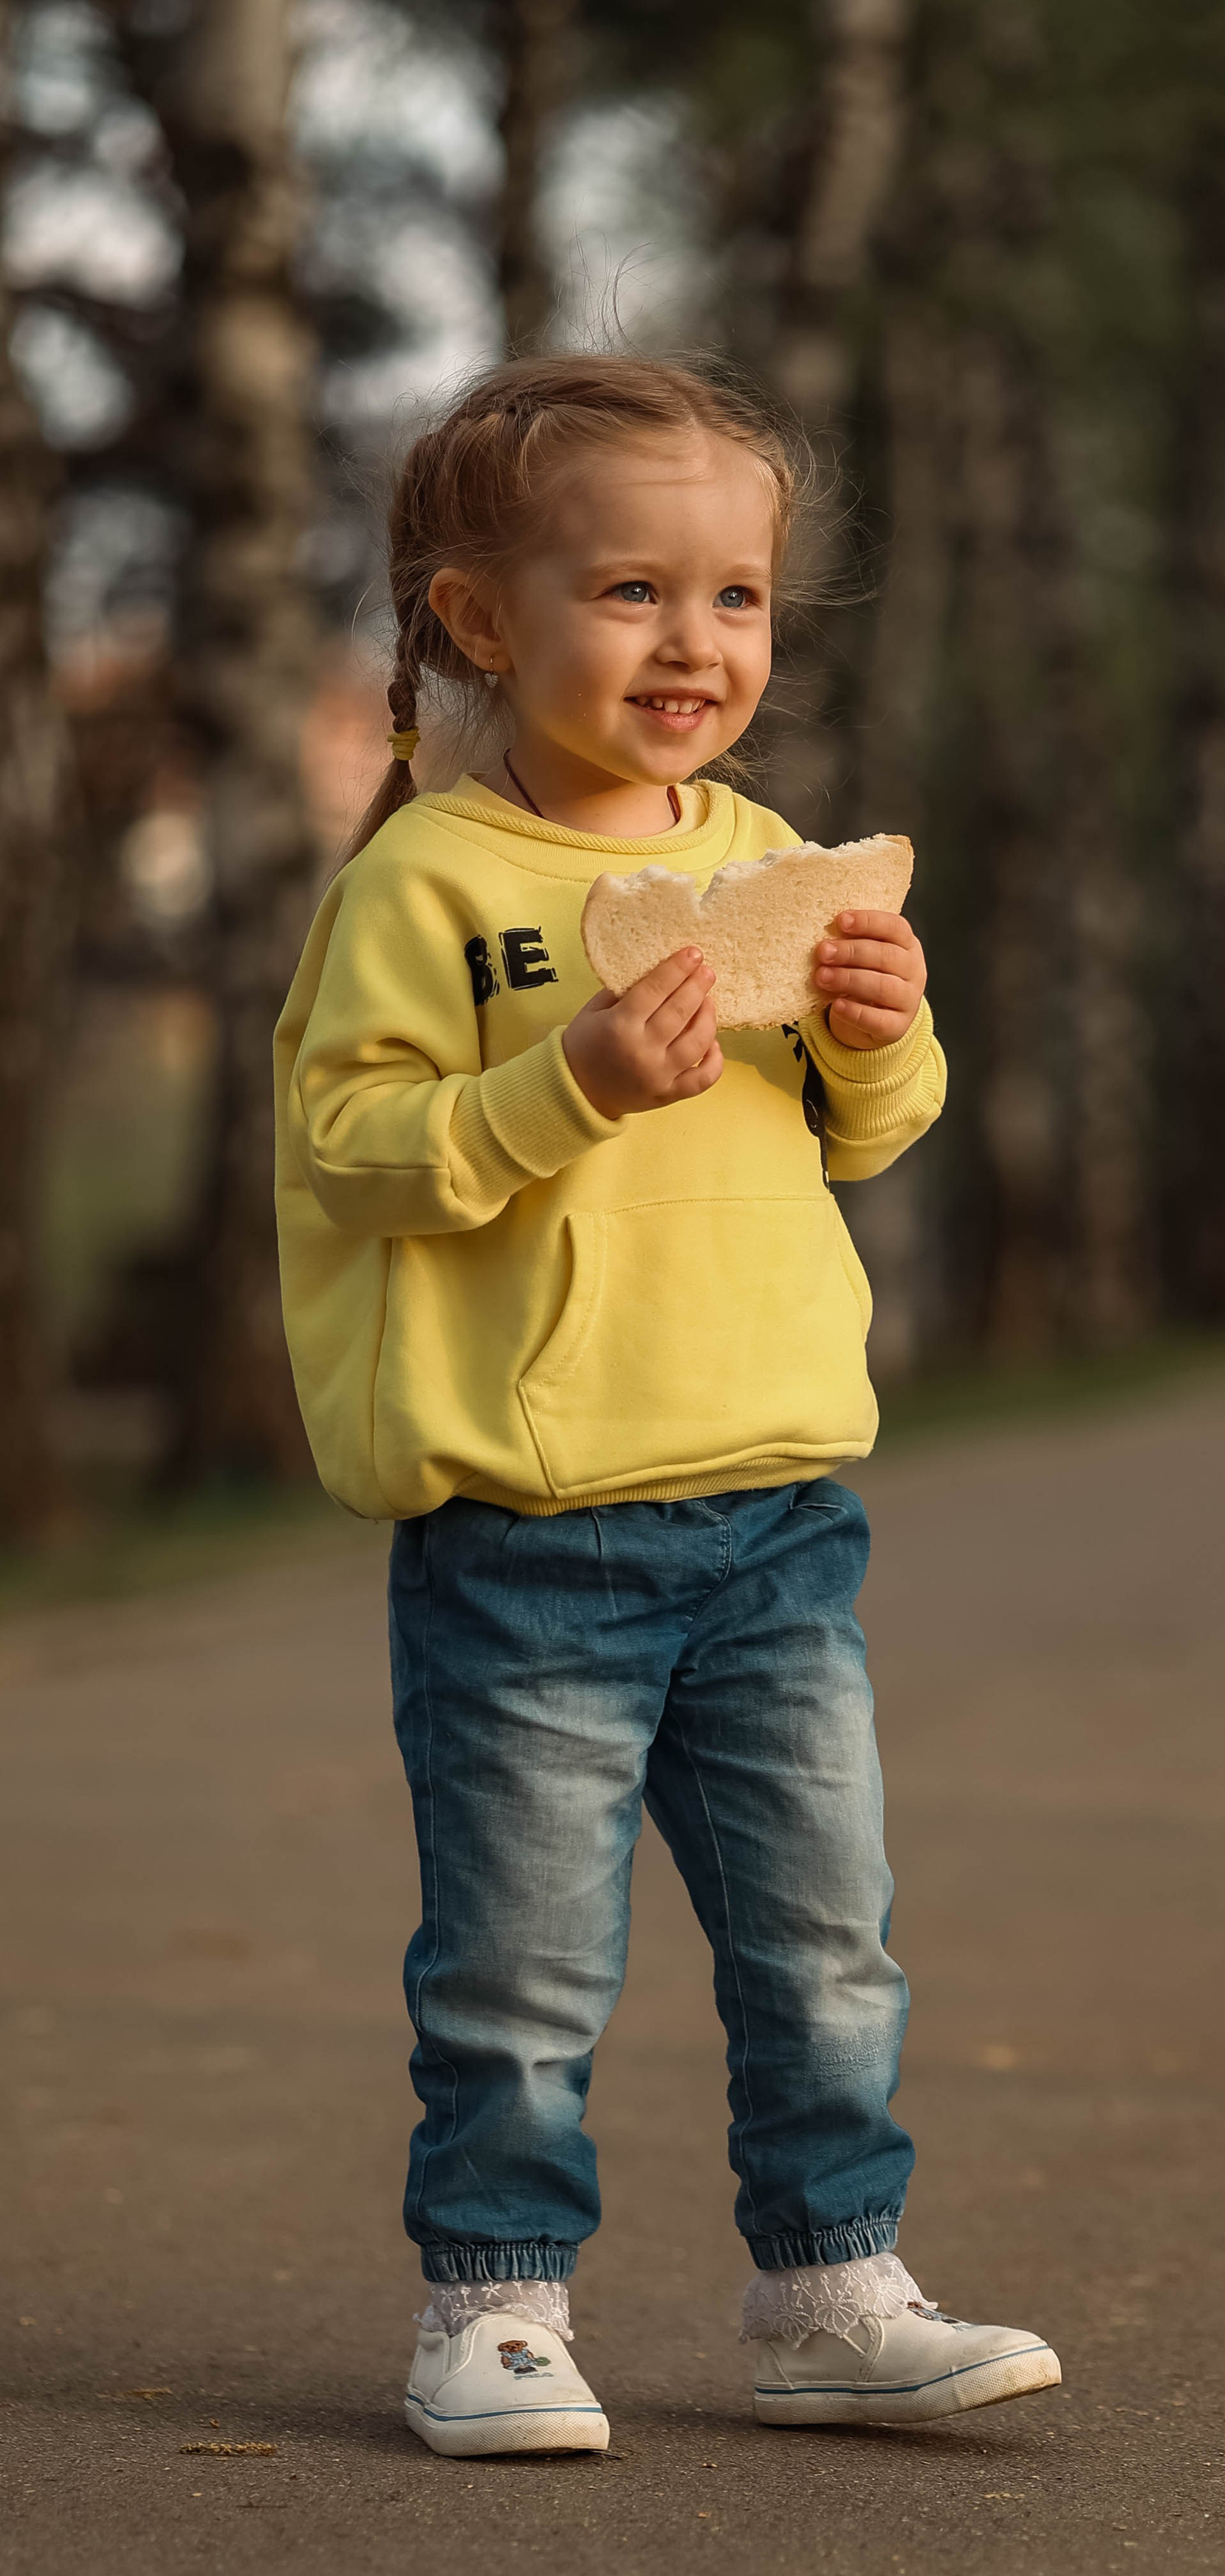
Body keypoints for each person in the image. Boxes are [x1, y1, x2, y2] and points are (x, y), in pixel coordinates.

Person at [274, 355, 1060, 2457]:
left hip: (778, 1513)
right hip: (534, 1538)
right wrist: (571, 1081)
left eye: (736, 597)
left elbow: (859, 1132)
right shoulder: (428, 883)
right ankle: (496, 2305)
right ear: (479, 618)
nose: (694, 643)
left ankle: (827, 2286)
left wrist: (889, 1039)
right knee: (521, 1973)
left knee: (830, 1945)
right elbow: (354, 1145)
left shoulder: (776, 856)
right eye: (632, 588)